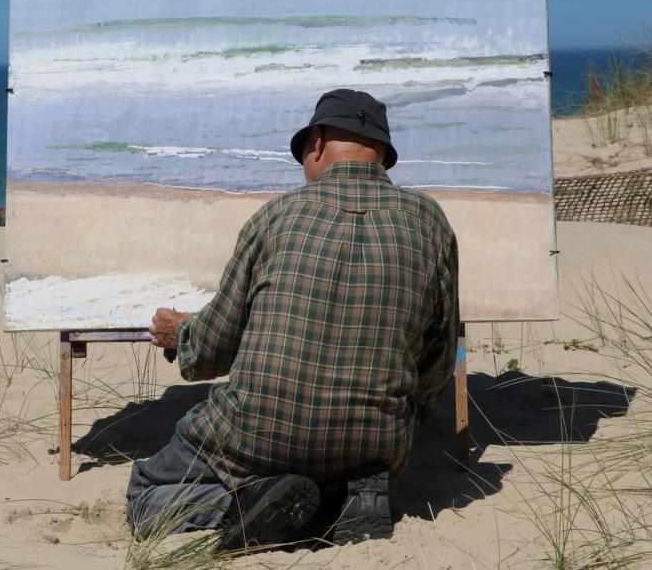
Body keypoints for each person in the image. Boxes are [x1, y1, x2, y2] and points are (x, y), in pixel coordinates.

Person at [125, 89, 459, 550]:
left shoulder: (275, 217)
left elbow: (213, 349)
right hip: (377, 446)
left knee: (145, 492)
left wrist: (180, 332)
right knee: (359, 447)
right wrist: (407, 415)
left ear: (317, 142)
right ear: (381, 155)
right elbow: (440, 351)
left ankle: (254, 502)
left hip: (255, 436)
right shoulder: (431, 223)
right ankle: (351, 492)